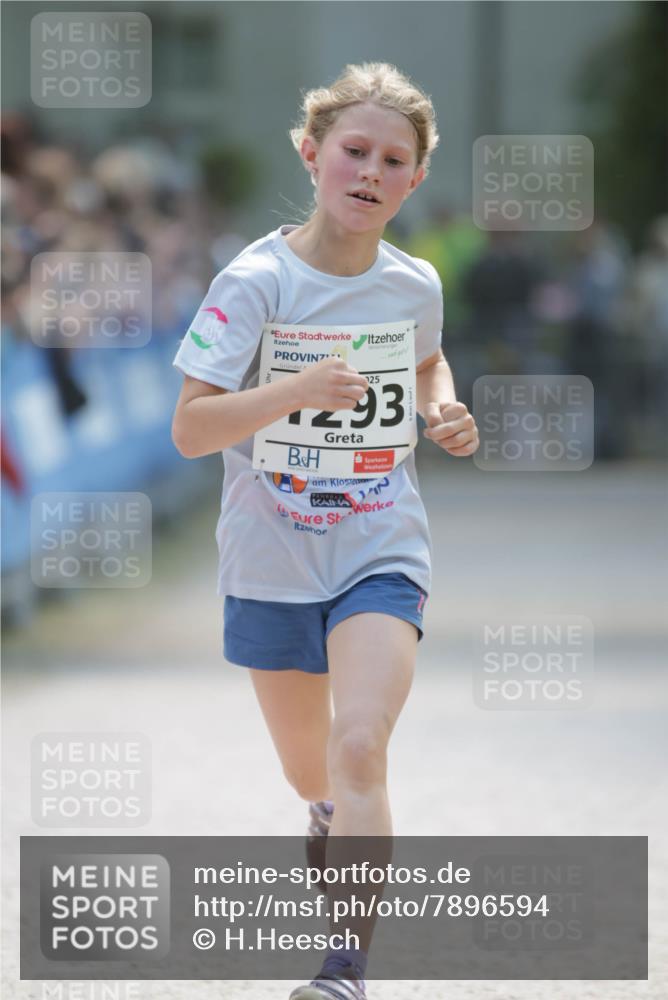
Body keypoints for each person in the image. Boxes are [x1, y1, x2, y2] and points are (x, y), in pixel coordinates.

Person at [171, 62, 479, 1000]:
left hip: (380, 546)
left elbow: (426, 359)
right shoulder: (253, 282)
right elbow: (191, 429)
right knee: (315, 774)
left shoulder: (414, 282)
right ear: (311, 155)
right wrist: (296, 391)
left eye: (394, 160)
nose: (371, 172)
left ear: (414, 180)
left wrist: (441, 404)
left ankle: (344, 967)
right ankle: (327, 815)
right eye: (355, 151)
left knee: (359, 749)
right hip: (269, 556)